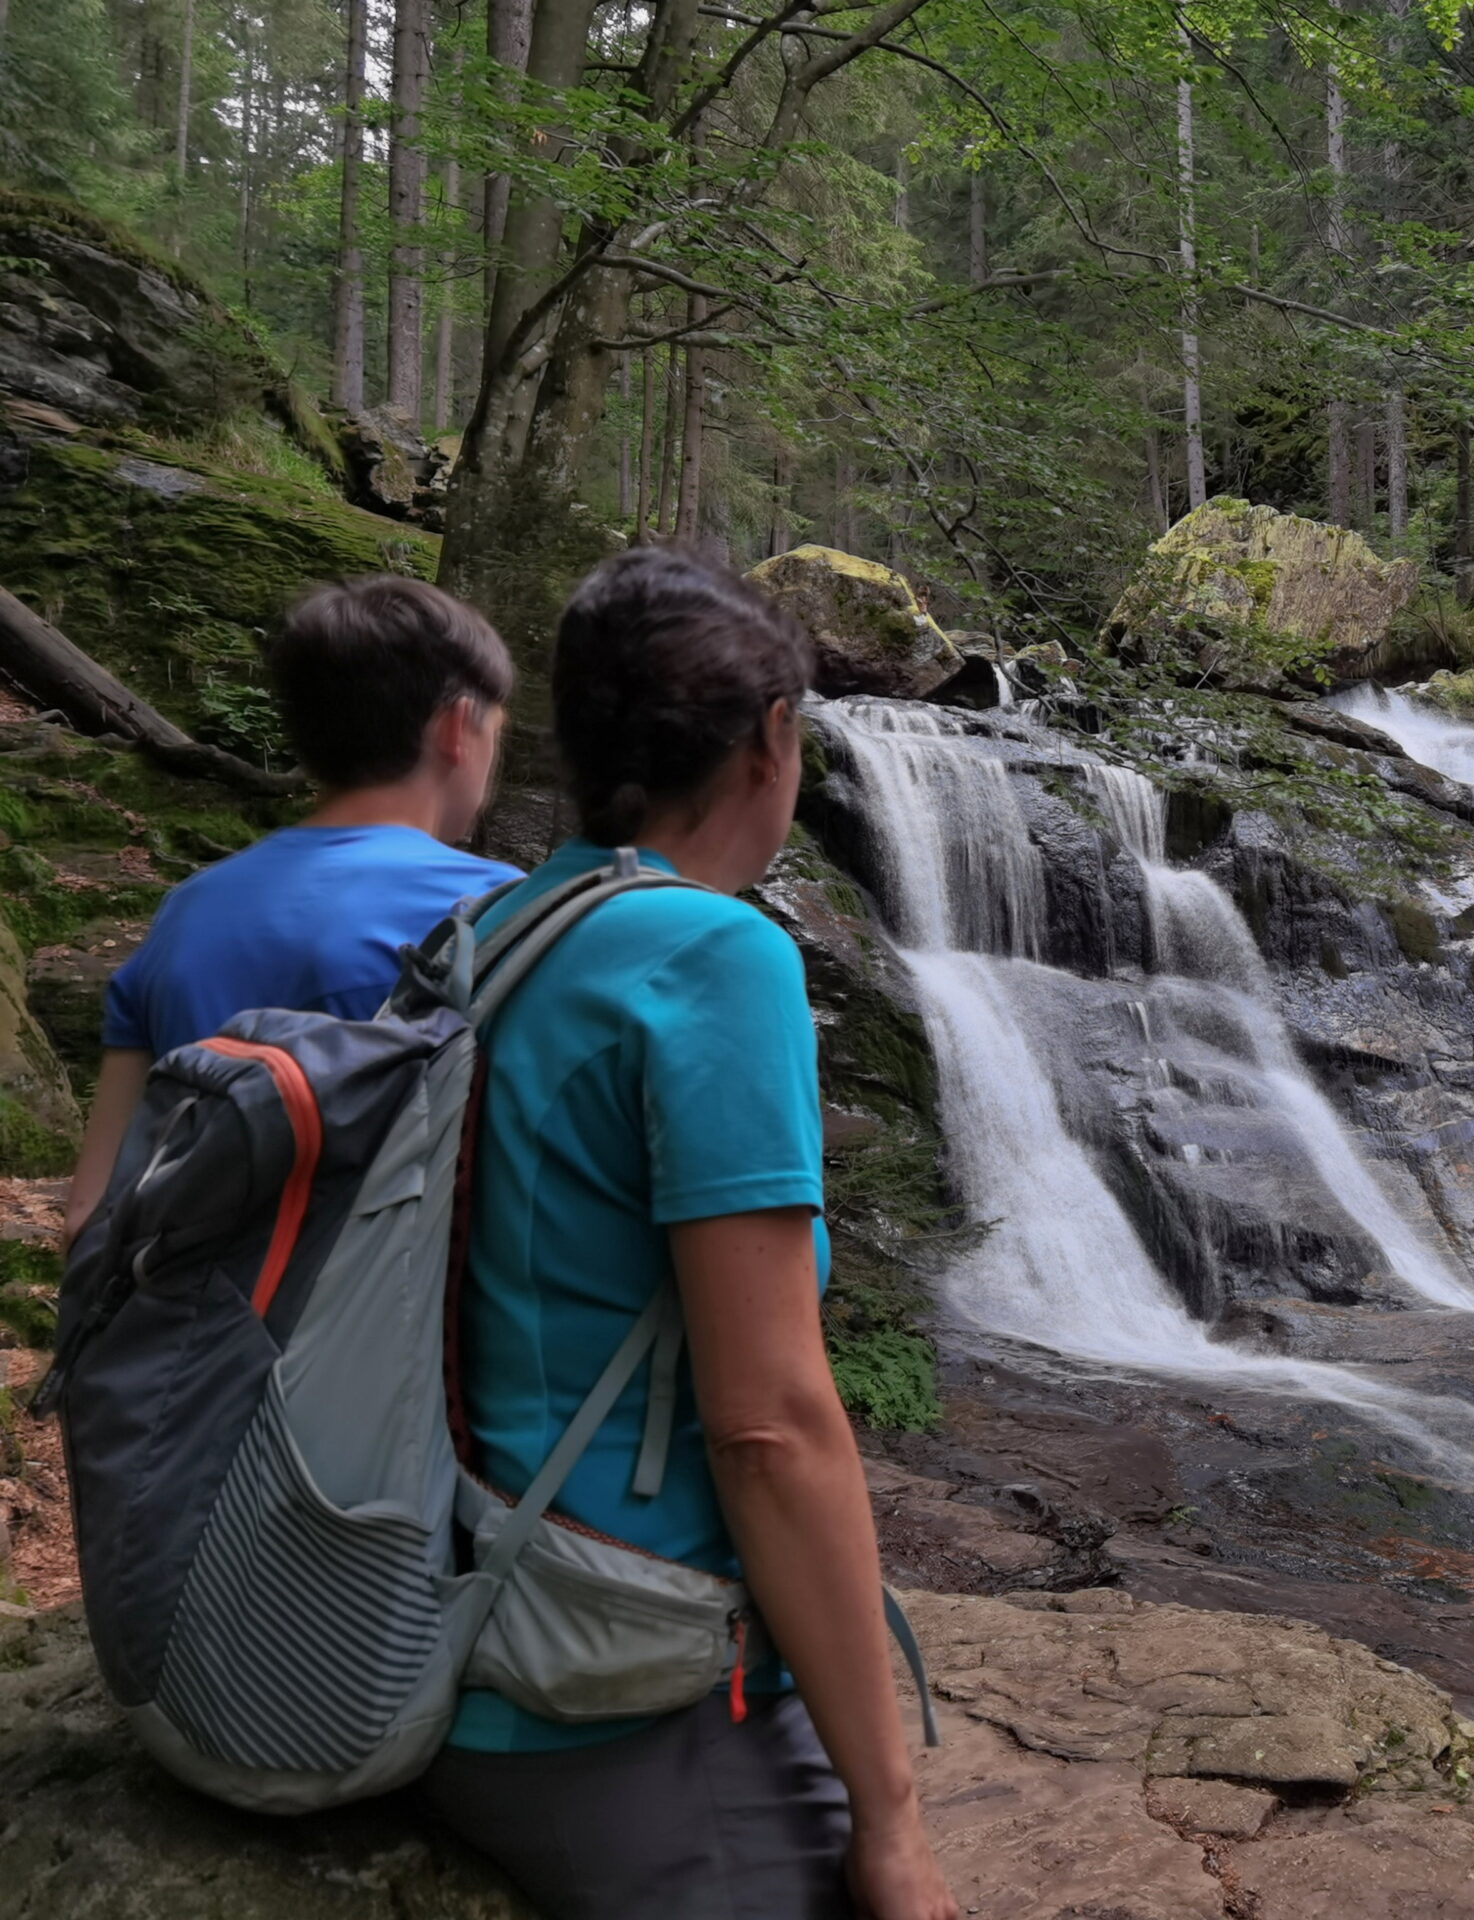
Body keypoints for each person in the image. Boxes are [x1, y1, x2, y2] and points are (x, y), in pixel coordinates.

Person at [423, 547, 956, 1920]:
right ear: (774, 741)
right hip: (615, 1684)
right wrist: (890, 1819)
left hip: (465, 1615)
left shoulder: (503, 925)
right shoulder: (715, 957)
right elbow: (768, 1424)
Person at [61, 576, 517, 1249]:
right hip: (385, 1341)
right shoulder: (498, 911)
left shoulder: (188, 911)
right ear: (456, 729)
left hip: (188, 1337)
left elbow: (88, 1220)